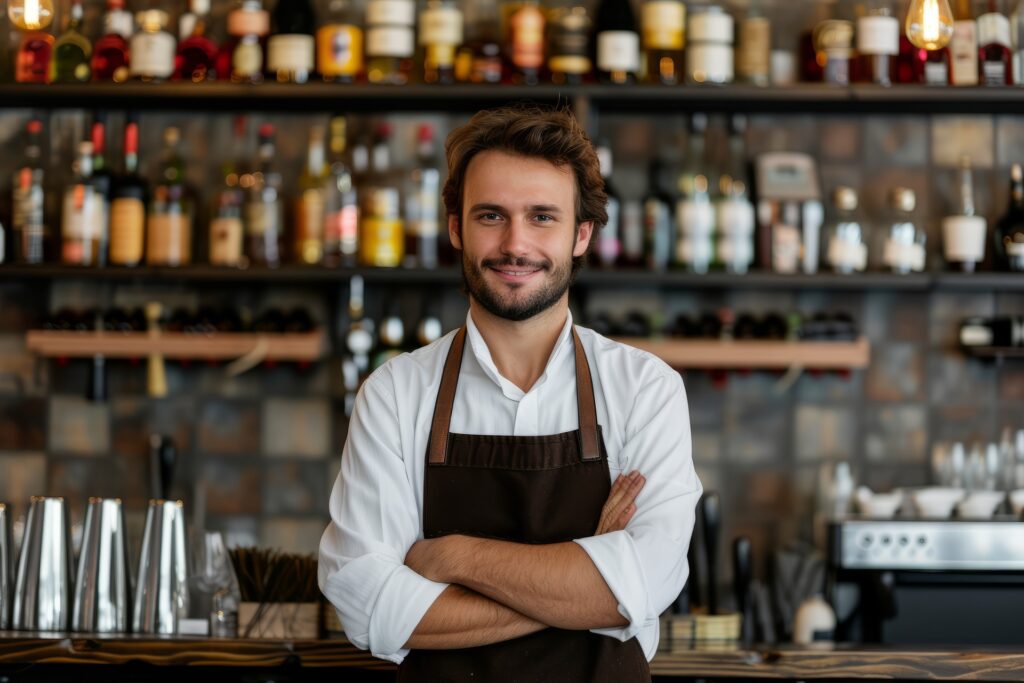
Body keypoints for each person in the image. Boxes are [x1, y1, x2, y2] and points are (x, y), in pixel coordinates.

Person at [319, 105, 702, 681]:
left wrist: (452, 558)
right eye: (491, 215)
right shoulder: (395, 393)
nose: (515, 244)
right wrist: (581, 583)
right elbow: (366, 603)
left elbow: (642, 586)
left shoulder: (645, 390)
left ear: (581, 234)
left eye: (542, 217)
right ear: (456, 229)